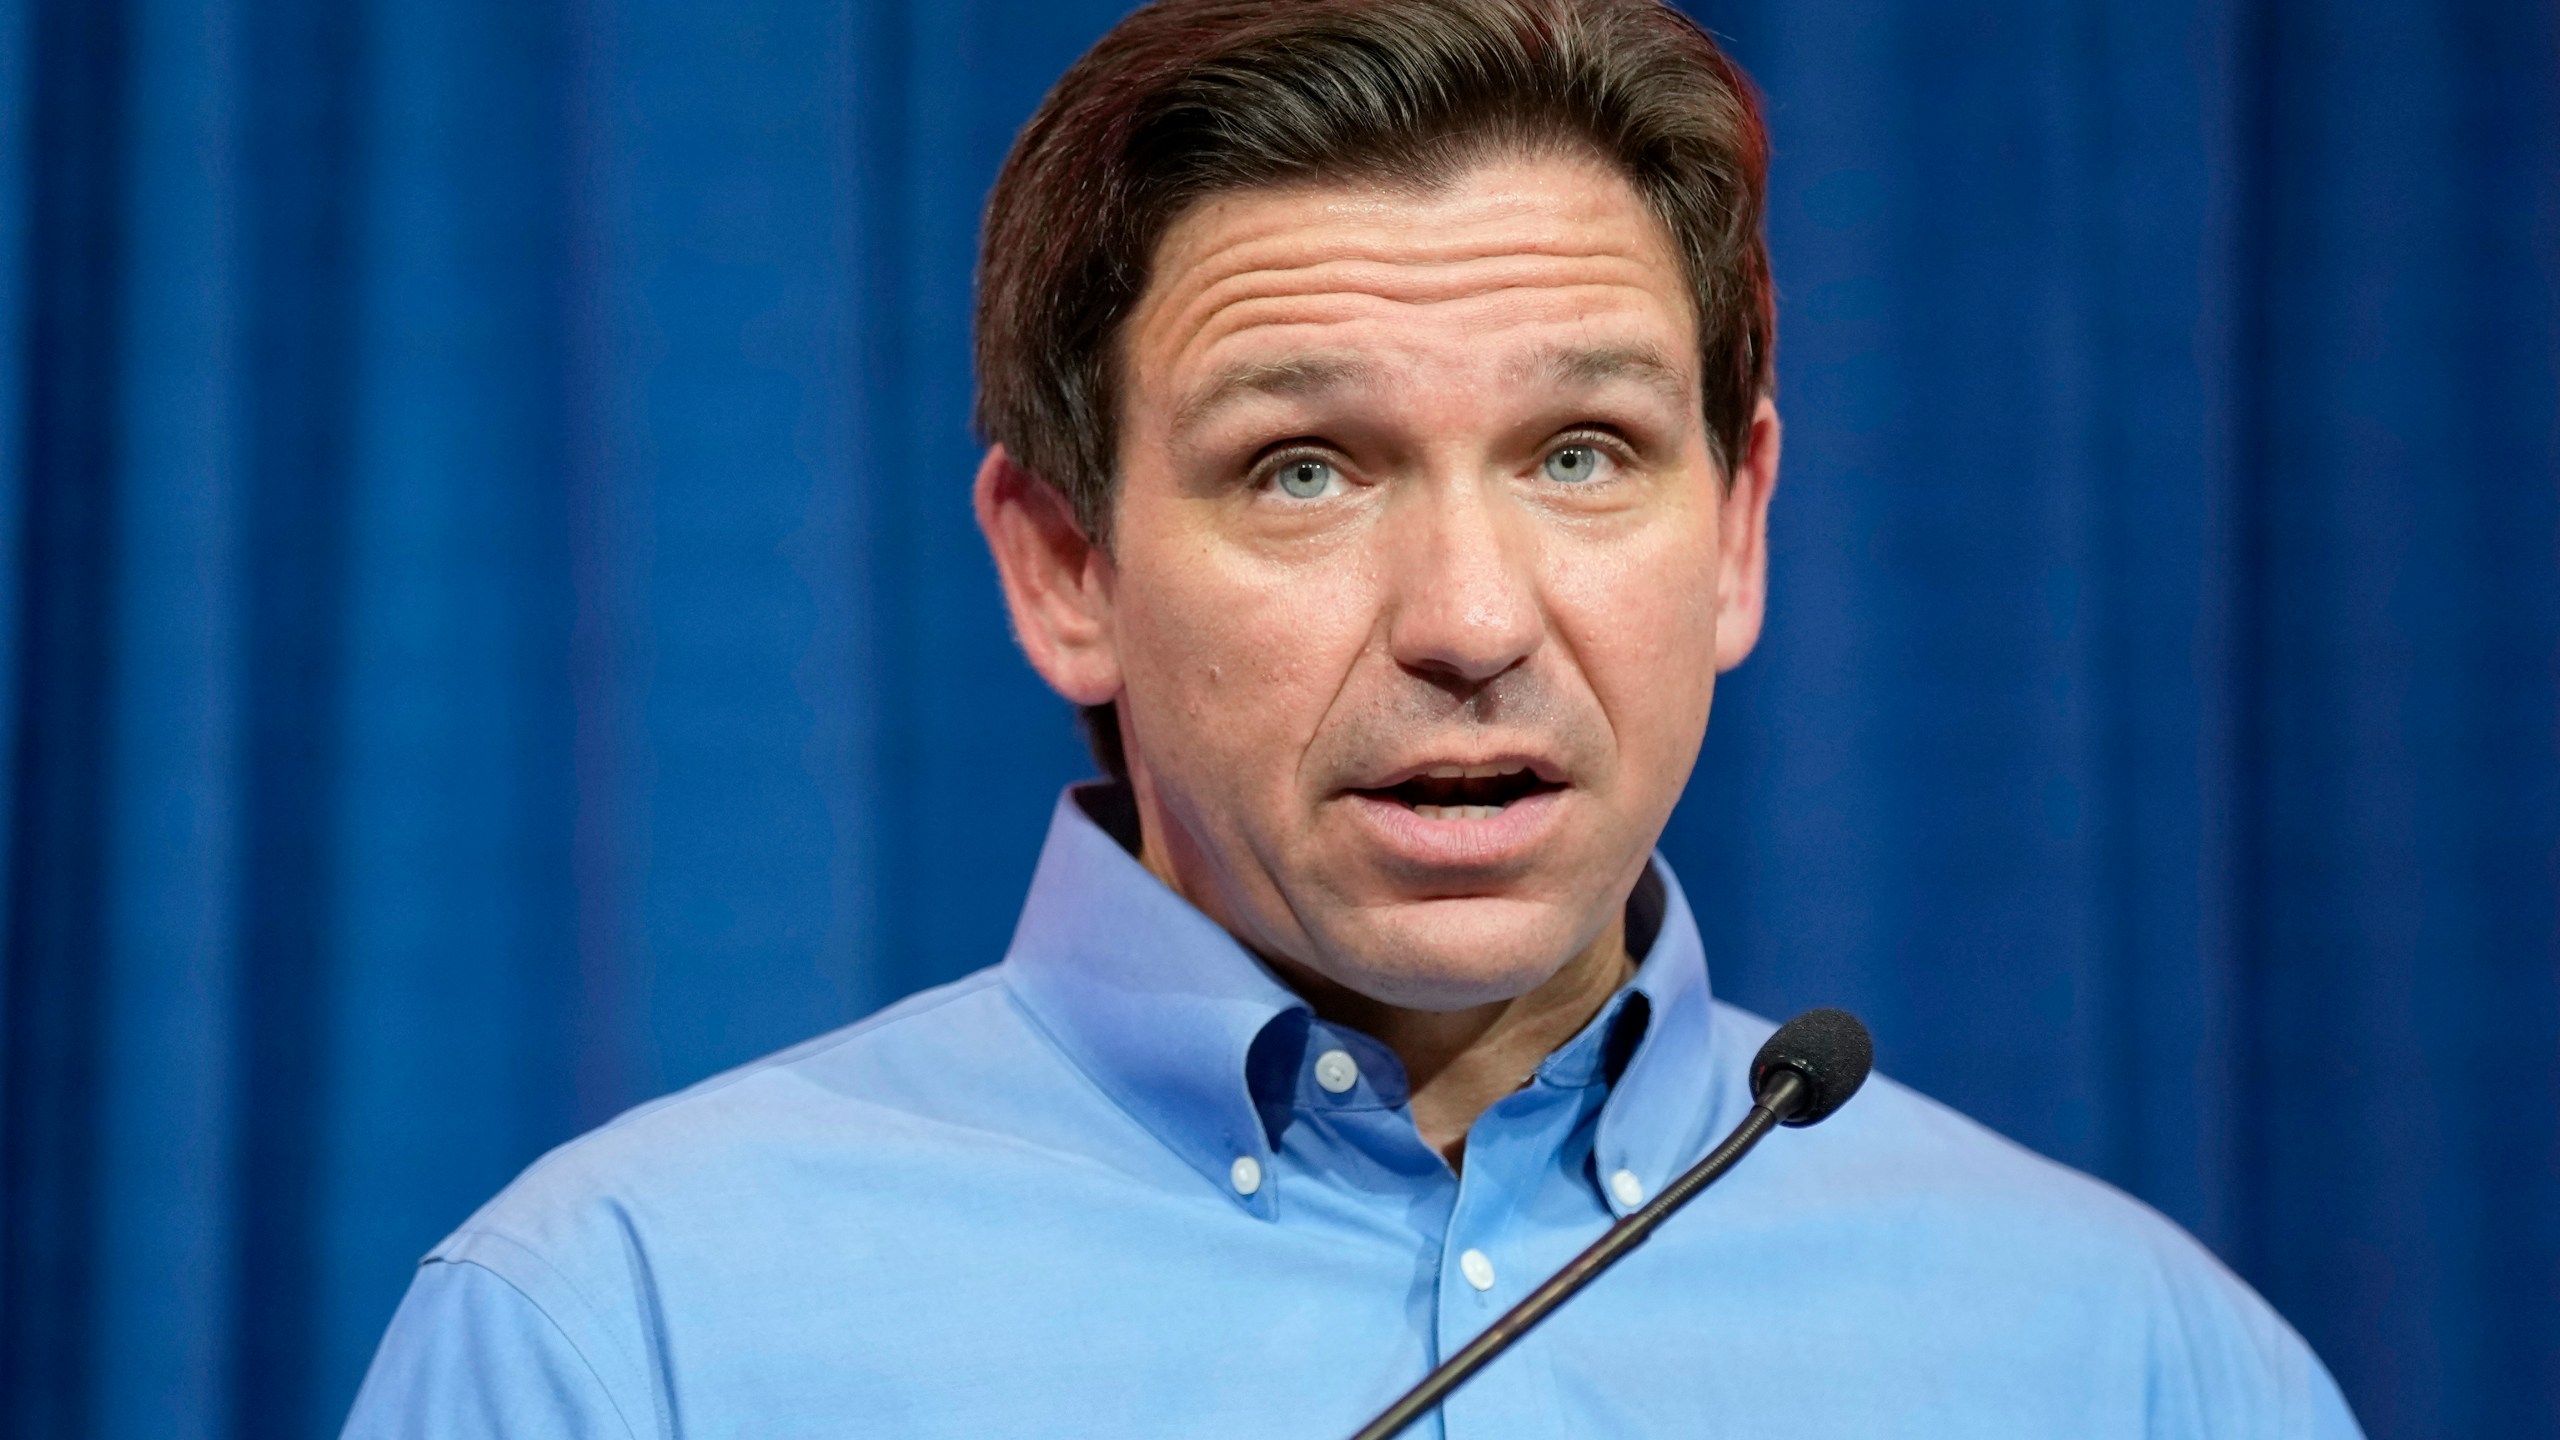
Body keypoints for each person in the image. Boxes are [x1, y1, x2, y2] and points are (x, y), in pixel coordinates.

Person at [343, 1, 2361, 1435]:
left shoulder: (2139, 1369)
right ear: (1061, 568)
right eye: (1303, 468)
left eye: (1582, 454)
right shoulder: (620, 1341)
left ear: (1736, 530)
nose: (1472, 620)